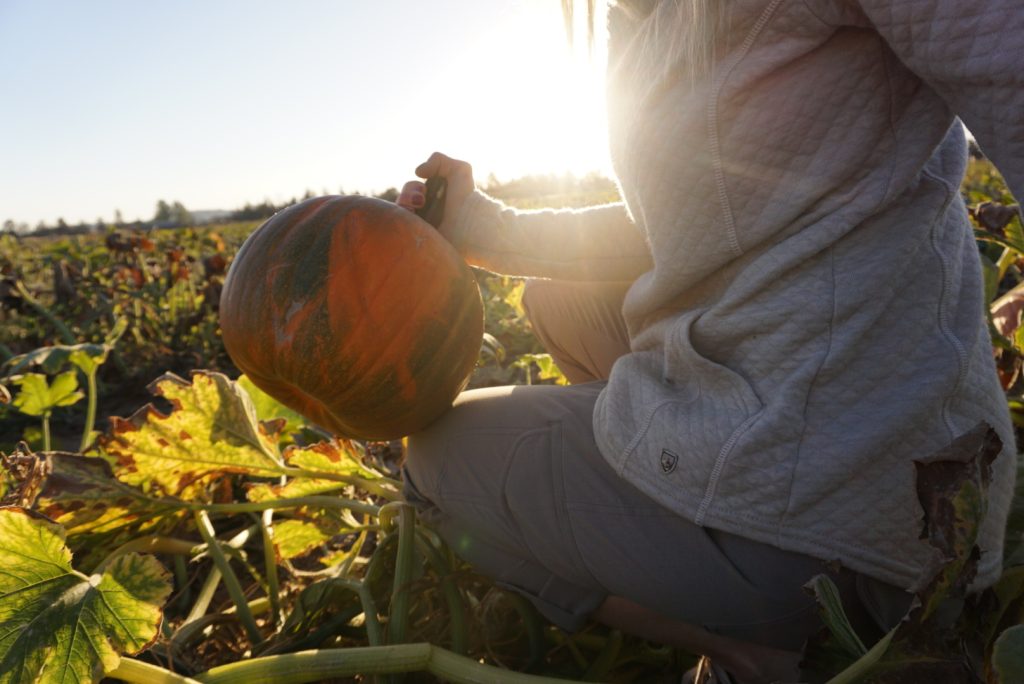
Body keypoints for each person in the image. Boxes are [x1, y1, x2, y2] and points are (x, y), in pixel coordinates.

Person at [396, 1, 1022, 681]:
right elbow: (679, 226)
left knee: (438, 460)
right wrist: (481, 226)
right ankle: (698, 553)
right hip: (798, 402)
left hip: (866, 505)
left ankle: (762, 654)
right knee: (558, 304)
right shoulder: (635, 18)